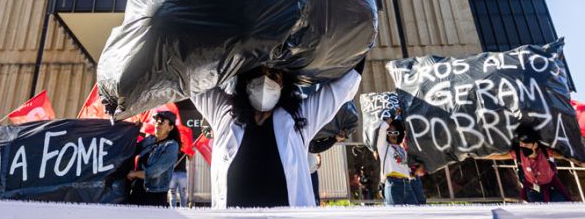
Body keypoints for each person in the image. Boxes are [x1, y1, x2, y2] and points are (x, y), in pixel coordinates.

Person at [191, 63, 361, 208]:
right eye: (257, 74)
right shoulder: (224, 112)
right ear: (245, 80)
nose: (265, 81)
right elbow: (192, 80)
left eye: (273, 75)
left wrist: (365, 42)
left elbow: (340, 89)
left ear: (284, 83)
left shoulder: (300, 118)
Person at [487, 126, 578, 203]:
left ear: (535, 145)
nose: (523, 147)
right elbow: (499, 156)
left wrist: (581, 163)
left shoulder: (545, 152)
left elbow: (565, 156)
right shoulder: (518, 153)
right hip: (533, 190)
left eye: (526, 145)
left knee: (560, 208)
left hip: (552, 187)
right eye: (521, 144)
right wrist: (478, 156)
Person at [127, 110, 180, 206]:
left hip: (154, 196)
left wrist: (134, 174)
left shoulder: (172, 146)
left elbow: (154, 172)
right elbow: (131, 150)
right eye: (156, 121)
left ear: (170, 127)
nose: (157, 125)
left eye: (161, 122)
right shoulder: (150, 139)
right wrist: (133, 130)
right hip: (137, 192)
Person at [378, 117, 413, 205]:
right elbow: (382, 129)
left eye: (395, 132)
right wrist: (393, 116)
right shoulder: (383, 146)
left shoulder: (402, 149)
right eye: (390, 132)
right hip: (393, 184)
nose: (393, 134)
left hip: (407, 184)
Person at [168, 141, 191, 207]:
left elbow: (190, 158)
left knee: (183, 194)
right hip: (172, 174)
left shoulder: (185, 147)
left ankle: (183, 210)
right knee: (172, 195)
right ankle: (172, 213)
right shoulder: (171, 147)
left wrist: (189, 151)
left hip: (182, 174)